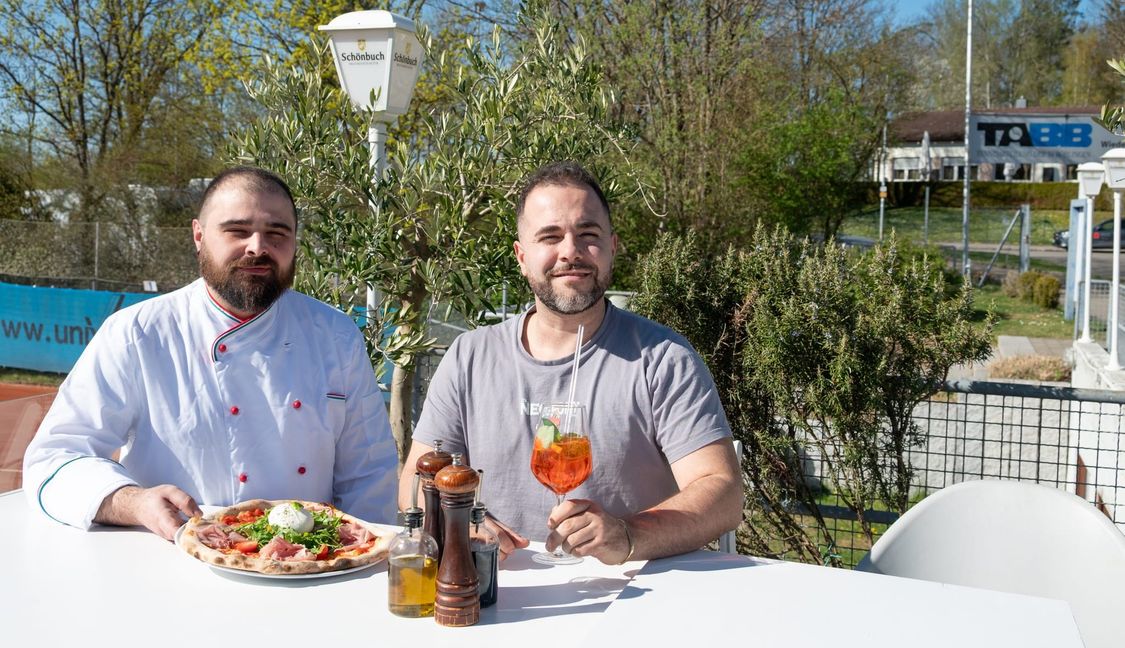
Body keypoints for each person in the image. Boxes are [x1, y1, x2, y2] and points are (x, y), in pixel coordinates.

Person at [23, 166, 398, 540]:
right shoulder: (138, 333)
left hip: (309, 566)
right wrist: (132, 501)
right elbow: (55, 457)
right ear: (199, 236)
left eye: (277, 233)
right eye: (237, 230)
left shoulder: (334, 333)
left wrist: (362, 563)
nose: (257, 247)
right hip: (173, 563)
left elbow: (369, 473)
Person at [399, 161, 742, 565]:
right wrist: (461, 522)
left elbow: (722, 493)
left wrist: (630, 533)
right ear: (522, 257)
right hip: (498, 592)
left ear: (612, 247)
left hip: (630, 600)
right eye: (550, 236)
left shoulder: (663, 359)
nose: (570, 252)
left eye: (588, 235)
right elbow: (413, 485)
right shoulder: (469, 357)